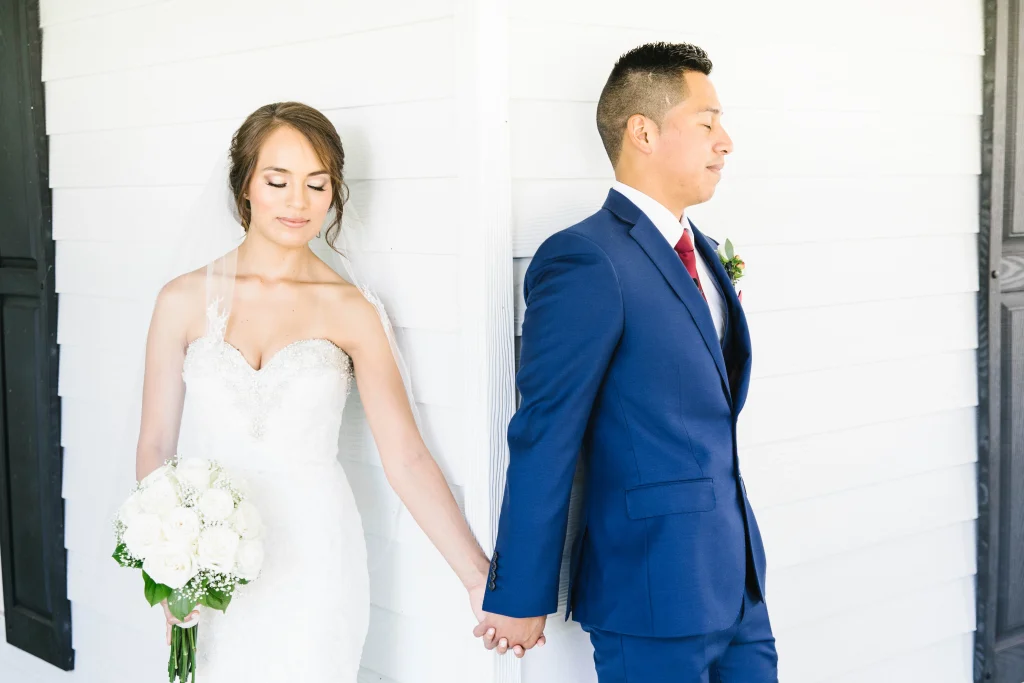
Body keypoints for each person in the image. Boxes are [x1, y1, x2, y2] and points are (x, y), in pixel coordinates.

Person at [134, 102, 493, 681]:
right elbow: (154, 445)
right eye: (278, 181)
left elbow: (405, 456)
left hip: (317, 560)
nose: (298, 202)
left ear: (334, 193)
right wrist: (167, 565)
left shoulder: (352, 310)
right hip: (209, 562)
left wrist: (478, 577)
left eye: (317, 184)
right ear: (246, 185)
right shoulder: (180, 300)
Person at [475, 43, 778, 681]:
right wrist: (519, 594)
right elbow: (546, 429)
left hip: (739, 584)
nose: (725, 142)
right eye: (707, 122)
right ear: (643, 131)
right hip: (652, 593)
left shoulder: (703, 251)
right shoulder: (586, 259)